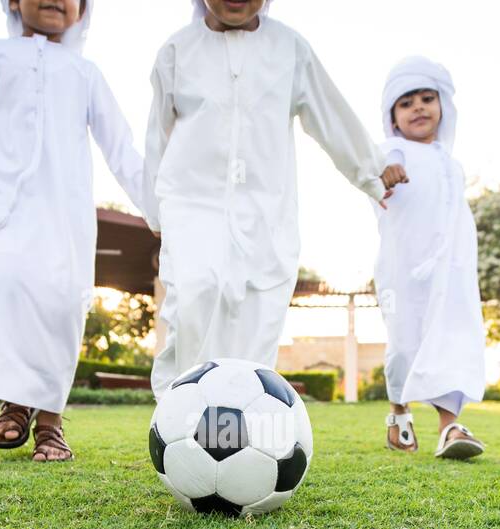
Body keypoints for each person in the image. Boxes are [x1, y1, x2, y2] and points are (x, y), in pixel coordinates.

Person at [0, 0, 142, 461]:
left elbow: (121, 147)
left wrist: (160, 211)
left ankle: (50, 425)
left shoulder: (85, 73)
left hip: (66, 214)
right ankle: (15, 403)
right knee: (8, 284)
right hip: (5, 210)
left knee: (60, 305)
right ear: (13, 1)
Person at [143, 0, 407, 396]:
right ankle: (181, 410)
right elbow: (157, 136)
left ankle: (239, 423)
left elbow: (329, 112)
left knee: (257, 312)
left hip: (267, 208)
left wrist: (371, 167)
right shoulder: (177, 51)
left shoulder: (290, 48)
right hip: (191, 202)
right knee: (197, 294)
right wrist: (157, 212)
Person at [373, 57, 486, 459]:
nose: (418, 108)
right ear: (393, 116)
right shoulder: (391, 149)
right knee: (404, 345)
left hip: (450, 272)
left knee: (451, 339)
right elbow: (377, 171)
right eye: (406, 103)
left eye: (426, 98)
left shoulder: (451, 163)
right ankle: (399, 413)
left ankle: (449, 427)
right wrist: (385, 173)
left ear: (443, 107)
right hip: (403, 268)